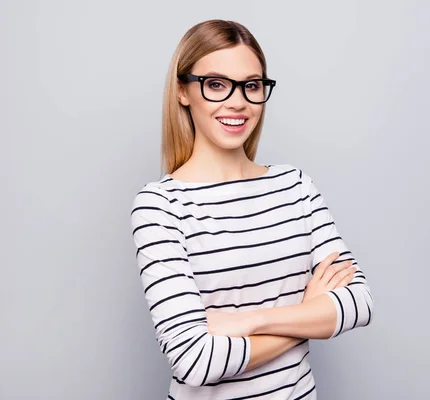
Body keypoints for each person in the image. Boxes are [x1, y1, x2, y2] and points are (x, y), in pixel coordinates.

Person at [130, 19, 374, 400]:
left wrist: (245, 321)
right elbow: (193, 360)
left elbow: (358, 302)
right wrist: (307, 314)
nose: (237, 101)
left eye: (252, 85)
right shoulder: (160, 206)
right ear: (182, 91)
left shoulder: (294, 186)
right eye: (215, 84)